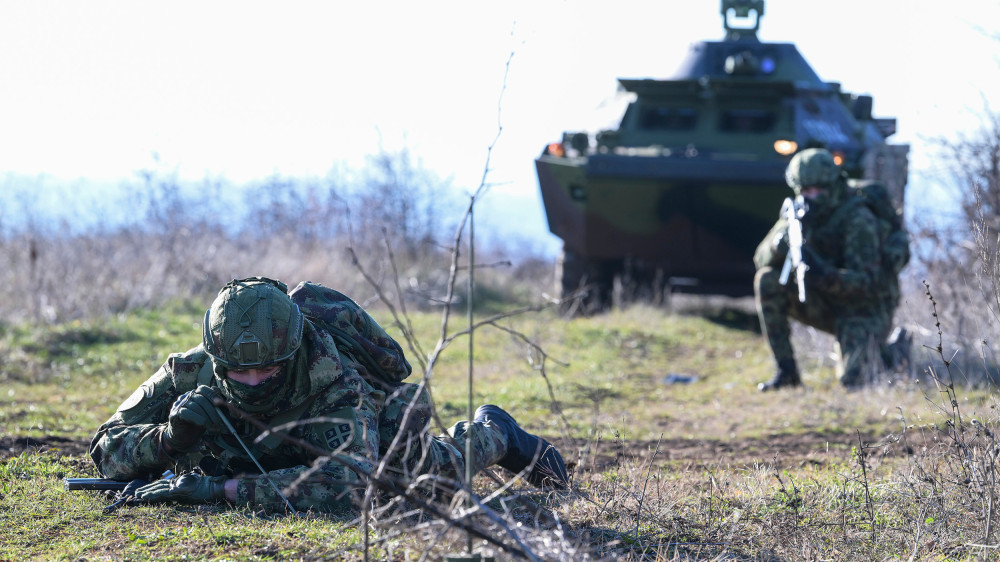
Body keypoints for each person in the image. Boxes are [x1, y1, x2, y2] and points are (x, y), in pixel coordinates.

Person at [89, 277, 568, 512]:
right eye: (240, 373)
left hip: (372, 434)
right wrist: (167, 442)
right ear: (217, 360)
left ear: (293, 351)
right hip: (267, 455)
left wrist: (221, 490)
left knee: (416, 476)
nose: (254, 382)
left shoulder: (334, 377)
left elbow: (351, 483)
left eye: (269, 370)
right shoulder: (192, 369)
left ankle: (496, 432)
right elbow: (104, 447)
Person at [753, 148, 909, 390]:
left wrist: (820, 272)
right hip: (826, 302)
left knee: (855, 381)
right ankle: (787, 373)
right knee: (767, 280)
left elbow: (868, 285)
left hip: (865, 310)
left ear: (833, 184)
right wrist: (778, 246)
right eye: (805, 190)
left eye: (818, 189)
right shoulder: (799, 214)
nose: (812, 196)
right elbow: (760, 260)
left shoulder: (858, 218)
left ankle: (894, 353)